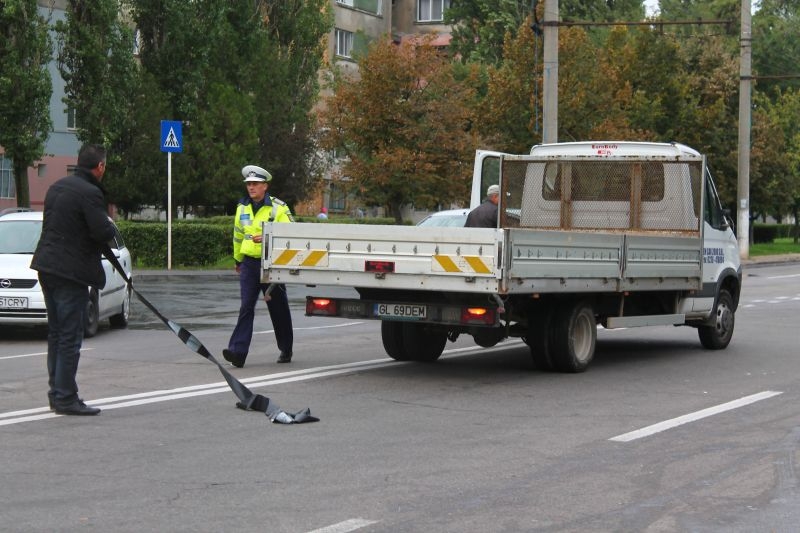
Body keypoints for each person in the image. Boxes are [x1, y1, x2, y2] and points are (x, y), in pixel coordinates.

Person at [30, 144, 117, 416]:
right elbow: (102, 231)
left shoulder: (56, 187)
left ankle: (56, 394)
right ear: (100, 167)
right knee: (69, 336)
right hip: (70, 272)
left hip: (46, 266)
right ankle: (66, 397)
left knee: (56, 333)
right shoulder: (90, 192)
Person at [223, 165, 295, 368]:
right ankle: (237, 352)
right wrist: (238, 260)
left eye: (255, 184)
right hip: (249, 263)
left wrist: (266, 238)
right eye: (249, 184)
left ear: (265, 186)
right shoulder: (242, 207)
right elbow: (238, 236)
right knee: (246, 307)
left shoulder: (279, 208)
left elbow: (291, 234)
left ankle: (286, 348)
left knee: (278, 308)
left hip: (271, 264)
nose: (251, 187)